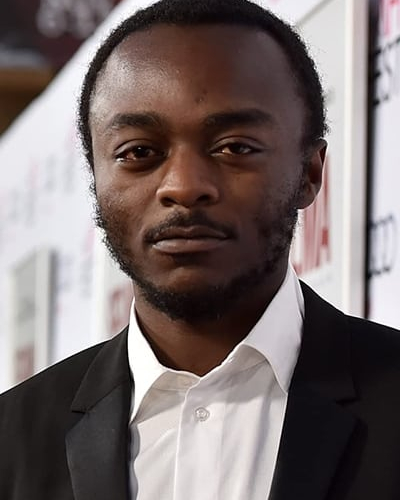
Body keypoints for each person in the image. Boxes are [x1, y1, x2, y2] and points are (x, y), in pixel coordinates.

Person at [1, 0, 400, 499]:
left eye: (235, 147)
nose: (184, 186)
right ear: (97, 181)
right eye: (139, 152)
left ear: (310, 173)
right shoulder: (11, 442)